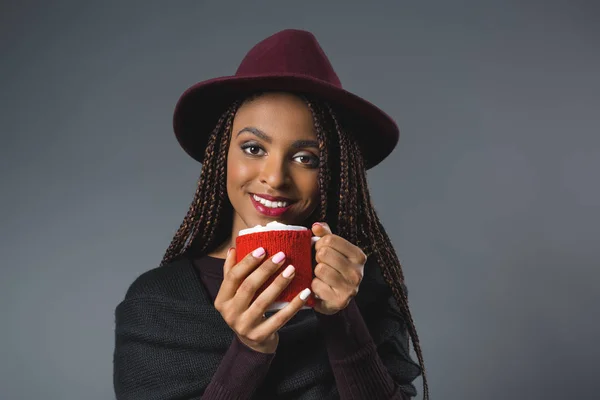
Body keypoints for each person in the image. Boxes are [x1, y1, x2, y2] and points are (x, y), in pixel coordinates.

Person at [113, 29, 429, 400]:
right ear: (221, 157)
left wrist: (343, 319)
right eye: (253, 148)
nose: (275, 178)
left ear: (331, 174)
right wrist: (249, 351)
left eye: (305, 158)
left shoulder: (364, 288)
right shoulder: (156, 303)